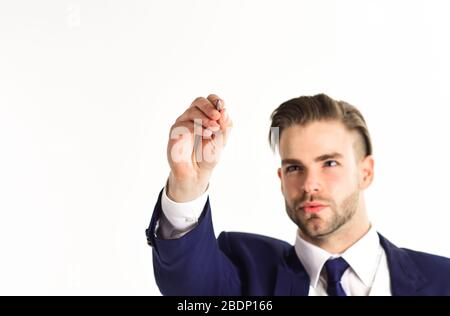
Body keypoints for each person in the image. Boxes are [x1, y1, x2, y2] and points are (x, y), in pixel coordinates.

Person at [146, 93, 450, 296]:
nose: (309, 184)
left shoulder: (443, 279)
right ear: (281, 179)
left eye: (329, 163)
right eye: (294, 168)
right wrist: (188, 181)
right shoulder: (246, 273)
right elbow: (190, 284)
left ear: (365, 172)